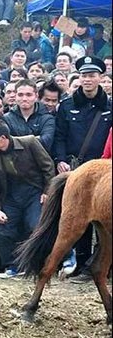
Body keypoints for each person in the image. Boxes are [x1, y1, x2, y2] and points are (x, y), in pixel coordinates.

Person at [52, 55, 112, 280]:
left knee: (105, 223)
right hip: (74, 166)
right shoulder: (67, 106)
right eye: (84, 75)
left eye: (92, 75)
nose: (88, 79)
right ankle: (80, 263)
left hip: (102, 170)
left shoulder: (109, 106)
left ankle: (98, 267)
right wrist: (60, 159)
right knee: (77, 221)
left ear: (100, 77)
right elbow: (59, 136)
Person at [0, 121, 56, 279]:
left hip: (33, 192)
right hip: (10, 195)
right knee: (3, 229)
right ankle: (12, 266)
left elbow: (48, 167)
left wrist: (47, 191)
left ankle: (43, 264)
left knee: (35, 225)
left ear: (2, 138)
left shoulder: (29, 142)